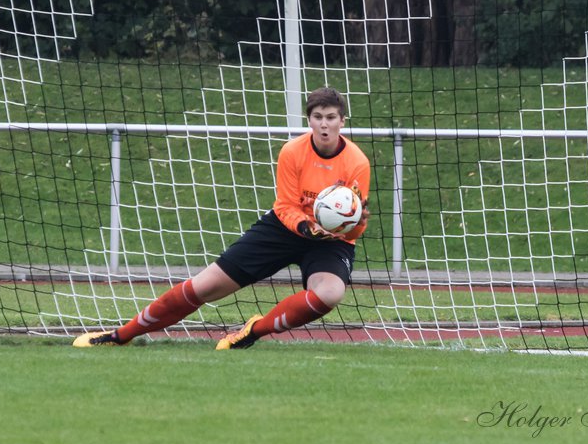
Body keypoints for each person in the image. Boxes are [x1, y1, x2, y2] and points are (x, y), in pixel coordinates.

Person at [73, 85, 370, 351]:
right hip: (284, 229)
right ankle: (121, 335)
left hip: (329, 242)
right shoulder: (292, 151)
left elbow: (355, 225)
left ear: (342, 121)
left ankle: (254, 330)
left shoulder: (357, 162)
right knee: (204, 286)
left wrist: (354, 225)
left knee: (330, 293)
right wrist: (306, 226)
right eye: (318, 116)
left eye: (331, 117)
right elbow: (285, 207)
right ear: (309, 120)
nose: (324, 124)